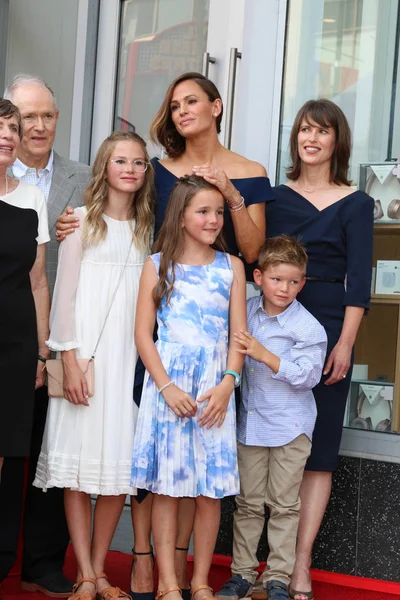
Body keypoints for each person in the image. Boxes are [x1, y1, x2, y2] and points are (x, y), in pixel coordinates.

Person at [55, 72, 274, 600]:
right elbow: (128, 214)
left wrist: (230, 196)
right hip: (150, 340)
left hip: (205, 357)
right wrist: (75, 222)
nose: (181, 111)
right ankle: (145, 563)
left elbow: (252, 250)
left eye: (192, 101)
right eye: (174, 104)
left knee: (187, 479)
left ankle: (188, 576)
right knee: (145, 464)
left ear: (217, 106)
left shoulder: (246, 174)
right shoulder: (155, 173)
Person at [33, 131, 154, 600]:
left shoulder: (148, 231)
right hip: (82, 359)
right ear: (103, 167)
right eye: (120, 160)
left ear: (146, 173)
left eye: (139, 162)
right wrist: (70, 358)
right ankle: (82, 572)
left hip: (128, 365)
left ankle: (101, 572)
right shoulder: (79, 222)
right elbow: (63, 298)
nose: (129, 169)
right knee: (79, 472)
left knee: (114, 474)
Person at [265, 100, 374, 600]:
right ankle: (267, 563)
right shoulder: (275, 198)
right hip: (274, 327)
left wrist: (345, 344)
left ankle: (301, 564)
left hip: (329, 330)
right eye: (305, 130)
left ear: (337, 142)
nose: (312, 138)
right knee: (268, 442)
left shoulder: (355, 203)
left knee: (318, 452)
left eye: (322, 131)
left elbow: (360, 280)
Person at [131, 174, 246, 600]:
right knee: (166, 488)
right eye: (204, 211)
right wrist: (164, 388)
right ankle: (168, 583)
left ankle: (199, 582)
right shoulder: (157, 264)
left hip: (214, 391)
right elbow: (144, 334)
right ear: (181, 216)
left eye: (218, 212)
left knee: (209, 491)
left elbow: (239, 335)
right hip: (169, 389)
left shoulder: (231, 266)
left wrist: (227, 384)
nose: (214, 219)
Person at [0, 74, 91, 597]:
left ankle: (42, 562)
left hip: (66, 334)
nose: (36, 126)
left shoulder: (83, 176)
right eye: (25, 116)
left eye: (47, 116)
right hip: (15, 333)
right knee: (10, 451)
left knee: (54, 451)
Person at [216, 235, 327, 600]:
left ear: (303, 283)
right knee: (248, 503)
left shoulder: (308, 327)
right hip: (251, 425)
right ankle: (242, 574)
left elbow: (309, 376)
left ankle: (277, 576)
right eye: (277, 279)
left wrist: (266, 355)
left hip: (292, 428)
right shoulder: (244, 312)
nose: (285, 288)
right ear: (259, 277)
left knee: (283, 505)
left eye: (294, 281)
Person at [0, 97, 50, 574]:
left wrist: (42, 351)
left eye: (13, 127)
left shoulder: (31, 196)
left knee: (5, 451)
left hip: (15, 343)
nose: (9, 134)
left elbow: (37, 281)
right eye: (0, 126)